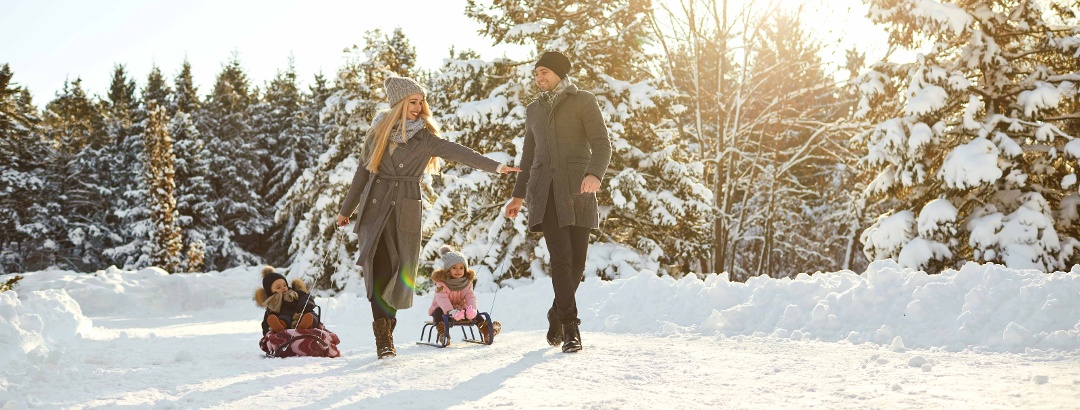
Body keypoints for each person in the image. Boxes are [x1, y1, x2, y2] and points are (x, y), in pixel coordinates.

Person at [337, 76, 520, 359]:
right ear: (398, 103)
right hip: (375, 208)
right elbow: (362, 173)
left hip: (405, 209)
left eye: (421, 102)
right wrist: (346, 210)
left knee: (400, 273)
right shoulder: (377, 134)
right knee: (379, 269)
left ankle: (390, 326)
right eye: (413, 102)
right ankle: (383, 337)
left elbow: (459, 152)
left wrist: (496, 167)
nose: (419, 107)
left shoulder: (425, 138)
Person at [503, 51, 612, 353]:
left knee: (577, 262)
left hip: (578, 189)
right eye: (536, 73)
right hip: (546, 191)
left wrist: (595, 174)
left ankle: (556, 312)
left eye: (545, 72)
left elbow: (602, 143)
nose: (539, 78)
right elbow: (528, 156)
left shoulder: (583, 101)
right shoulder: (533, 110)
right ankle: (570, 328)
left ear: (560, 74)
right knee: (561, 258)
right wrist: (518, 194)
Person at [427, 245, 501, 344]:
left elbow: (470, 296)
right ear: (448, 270)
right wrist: (451, 311)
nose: (458, 271)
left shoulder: (466, 282)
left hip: (460, 310)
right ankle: (443, 333)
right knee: (437, 312)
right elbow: (442, 298)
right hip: (445, 311)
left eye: (461, 268)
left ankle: (486, 330)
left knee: (475, 312)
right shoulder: (442, 283)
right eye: (454, 268)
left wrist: (472, 309)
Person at [254, 266, 320, 335]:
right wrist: (267, 332)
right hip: (287, 320)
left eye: (284, 285)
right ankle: (280, 326)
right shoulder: (272, 304)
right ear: (270, 291)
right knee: (283, 318)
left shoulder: (296, 293)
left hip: (302, 313)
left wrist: (305, 305)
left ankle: (306, 325)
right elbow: (265, 324)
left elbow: (306, 297)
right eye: (278, 287)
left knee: (311, 316)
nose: (283, 288)